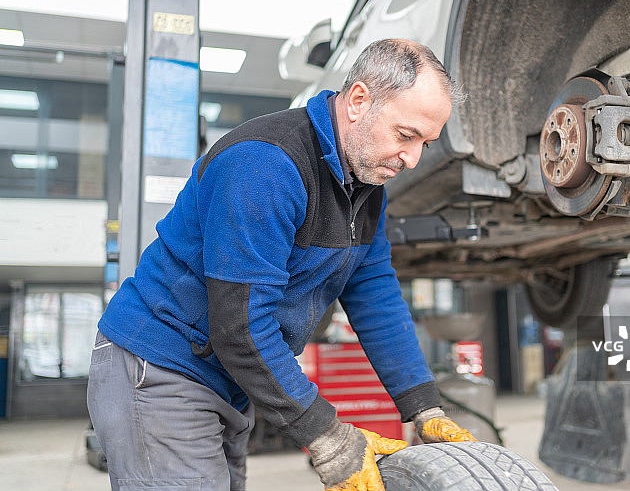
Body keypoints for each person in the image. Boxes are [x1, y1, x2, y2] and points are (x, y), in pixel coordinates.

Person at [88, 38, 476, 491]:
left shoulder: (364, 186)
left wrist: (423, 405)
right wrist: (328, 436)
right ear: (358, 101)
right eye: (405, 135)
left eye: (425, 144)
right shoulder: (265, 166)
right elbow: (240, 326)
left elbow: (374, 294)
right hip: (160, 368)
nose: (412, 158)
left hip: (226, 380)